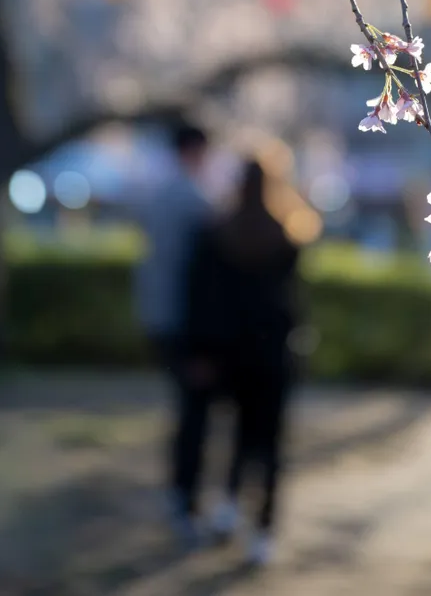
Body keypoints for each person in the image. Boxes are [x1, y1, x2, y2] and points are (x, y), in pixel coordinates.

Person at [182, 146, 317, 566]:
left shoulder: (218, 233)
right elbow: (293, 300)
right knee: (270, 442)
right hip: (273, 352)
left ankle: (227, 506)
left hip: (232, 352)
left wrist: (201, 351)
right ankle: (263, 529)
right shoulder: (287, 235)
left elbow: (203, 300)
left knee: (239, 432)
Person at [133, 122, 213, 533]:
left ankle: (182, 495)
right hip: (187, 320)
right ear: (194, 151)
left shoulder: (157, 193)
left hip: (158, 315)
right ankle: (184, 499)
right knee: (193, 412)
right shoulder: (192, 198)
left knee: (187, 408)